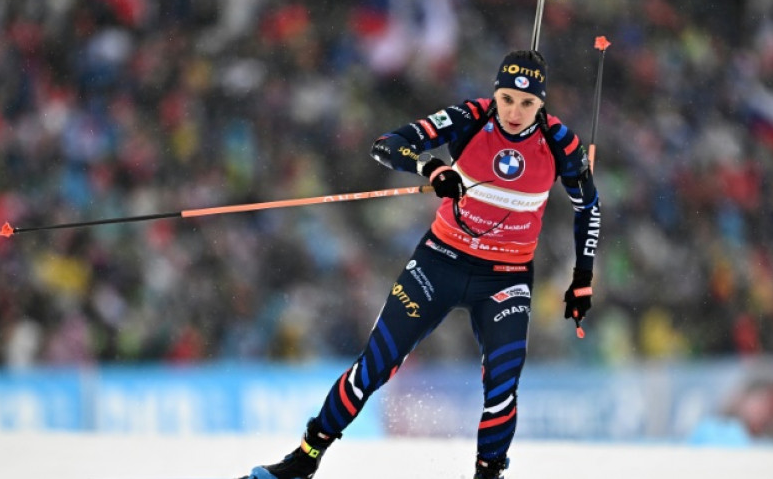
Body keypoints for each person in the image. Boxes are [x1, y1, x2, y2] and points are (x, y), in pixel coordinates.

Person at [244, 49, 601, 479]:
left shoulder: (562, 143)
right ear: (495, 93)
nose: (514, 112)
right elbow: (387, 145)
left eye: (527, 103)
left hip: (504, 279)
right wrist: (430, 167)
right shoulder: (470, 117)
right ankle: (304, 457)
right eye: (507, 99)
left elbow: (589, 209)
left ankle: (489, 474)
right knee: (374, 365)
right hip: (440, 263)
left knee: (502, 386)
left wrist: (582, 278)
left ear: (542, 104)